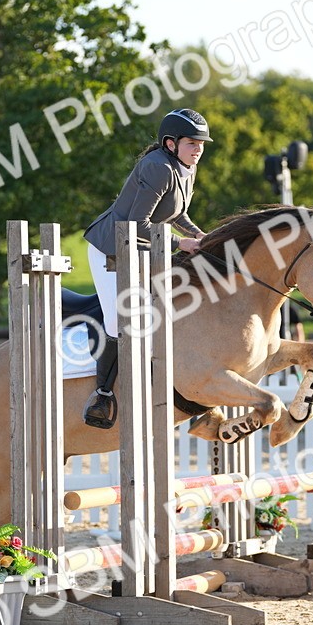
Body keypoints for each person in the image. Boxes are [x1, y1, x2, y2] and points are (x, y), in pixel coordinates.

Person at [80, 108, 212, 428]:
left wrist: (198, 234)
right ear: (171, 143)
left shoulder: (185, 168)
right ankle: (102, 396)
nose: (198, 149)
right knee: (122, 320)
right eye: (192, 142)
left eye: (201, 143)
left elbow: (176, 214)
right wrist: (181, 244)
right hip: (110, 250)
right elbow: (136, 225)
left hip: (141, 250)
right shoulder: (157, 168)